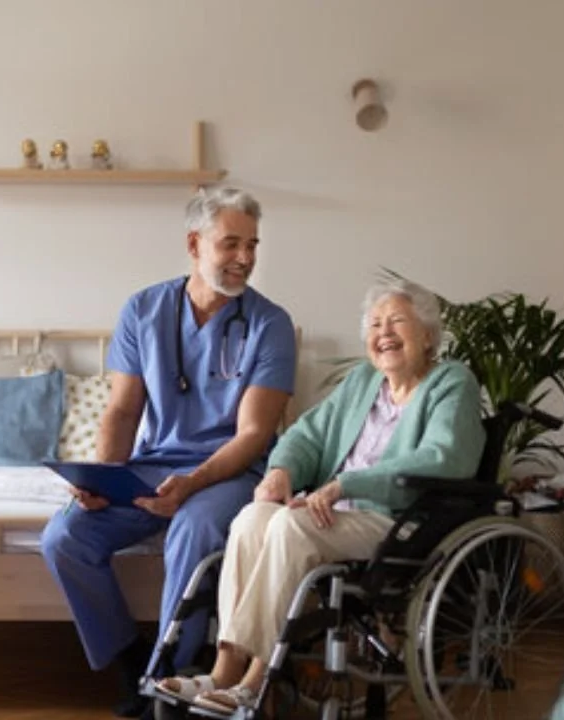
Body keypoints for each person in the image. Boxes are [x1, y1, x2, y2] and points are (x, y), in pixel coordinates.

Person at [151, 278, 486, 714]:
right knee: (254, 516)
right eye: (375, 324)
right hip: (331, 514)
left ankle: (256, 682)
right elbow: (307, 435)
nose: (383, 333)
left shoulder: (451, 382)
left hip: (397, 519)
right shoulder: (364, 381)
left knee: (292, 525)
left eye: (397, 322)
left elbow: (443, 458)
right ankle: (224, 668)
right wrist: (280, 471)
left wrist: (346, 485)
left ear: (427, 334)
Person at [40, 186, 298, 717]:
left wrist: (192, 484)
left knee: (194, 529)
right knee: (64, 535)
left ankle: (170, 674)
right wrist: (99, 478)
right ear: (194, 243)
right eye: (231, 244)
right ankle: (130, 659)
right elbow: (121, 410)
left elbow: (253, 435)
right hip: (154, 463)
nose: (245, 258)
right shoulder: (144, 309)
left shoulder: (270, 325)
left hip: (232, 471)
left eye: (252, 245)